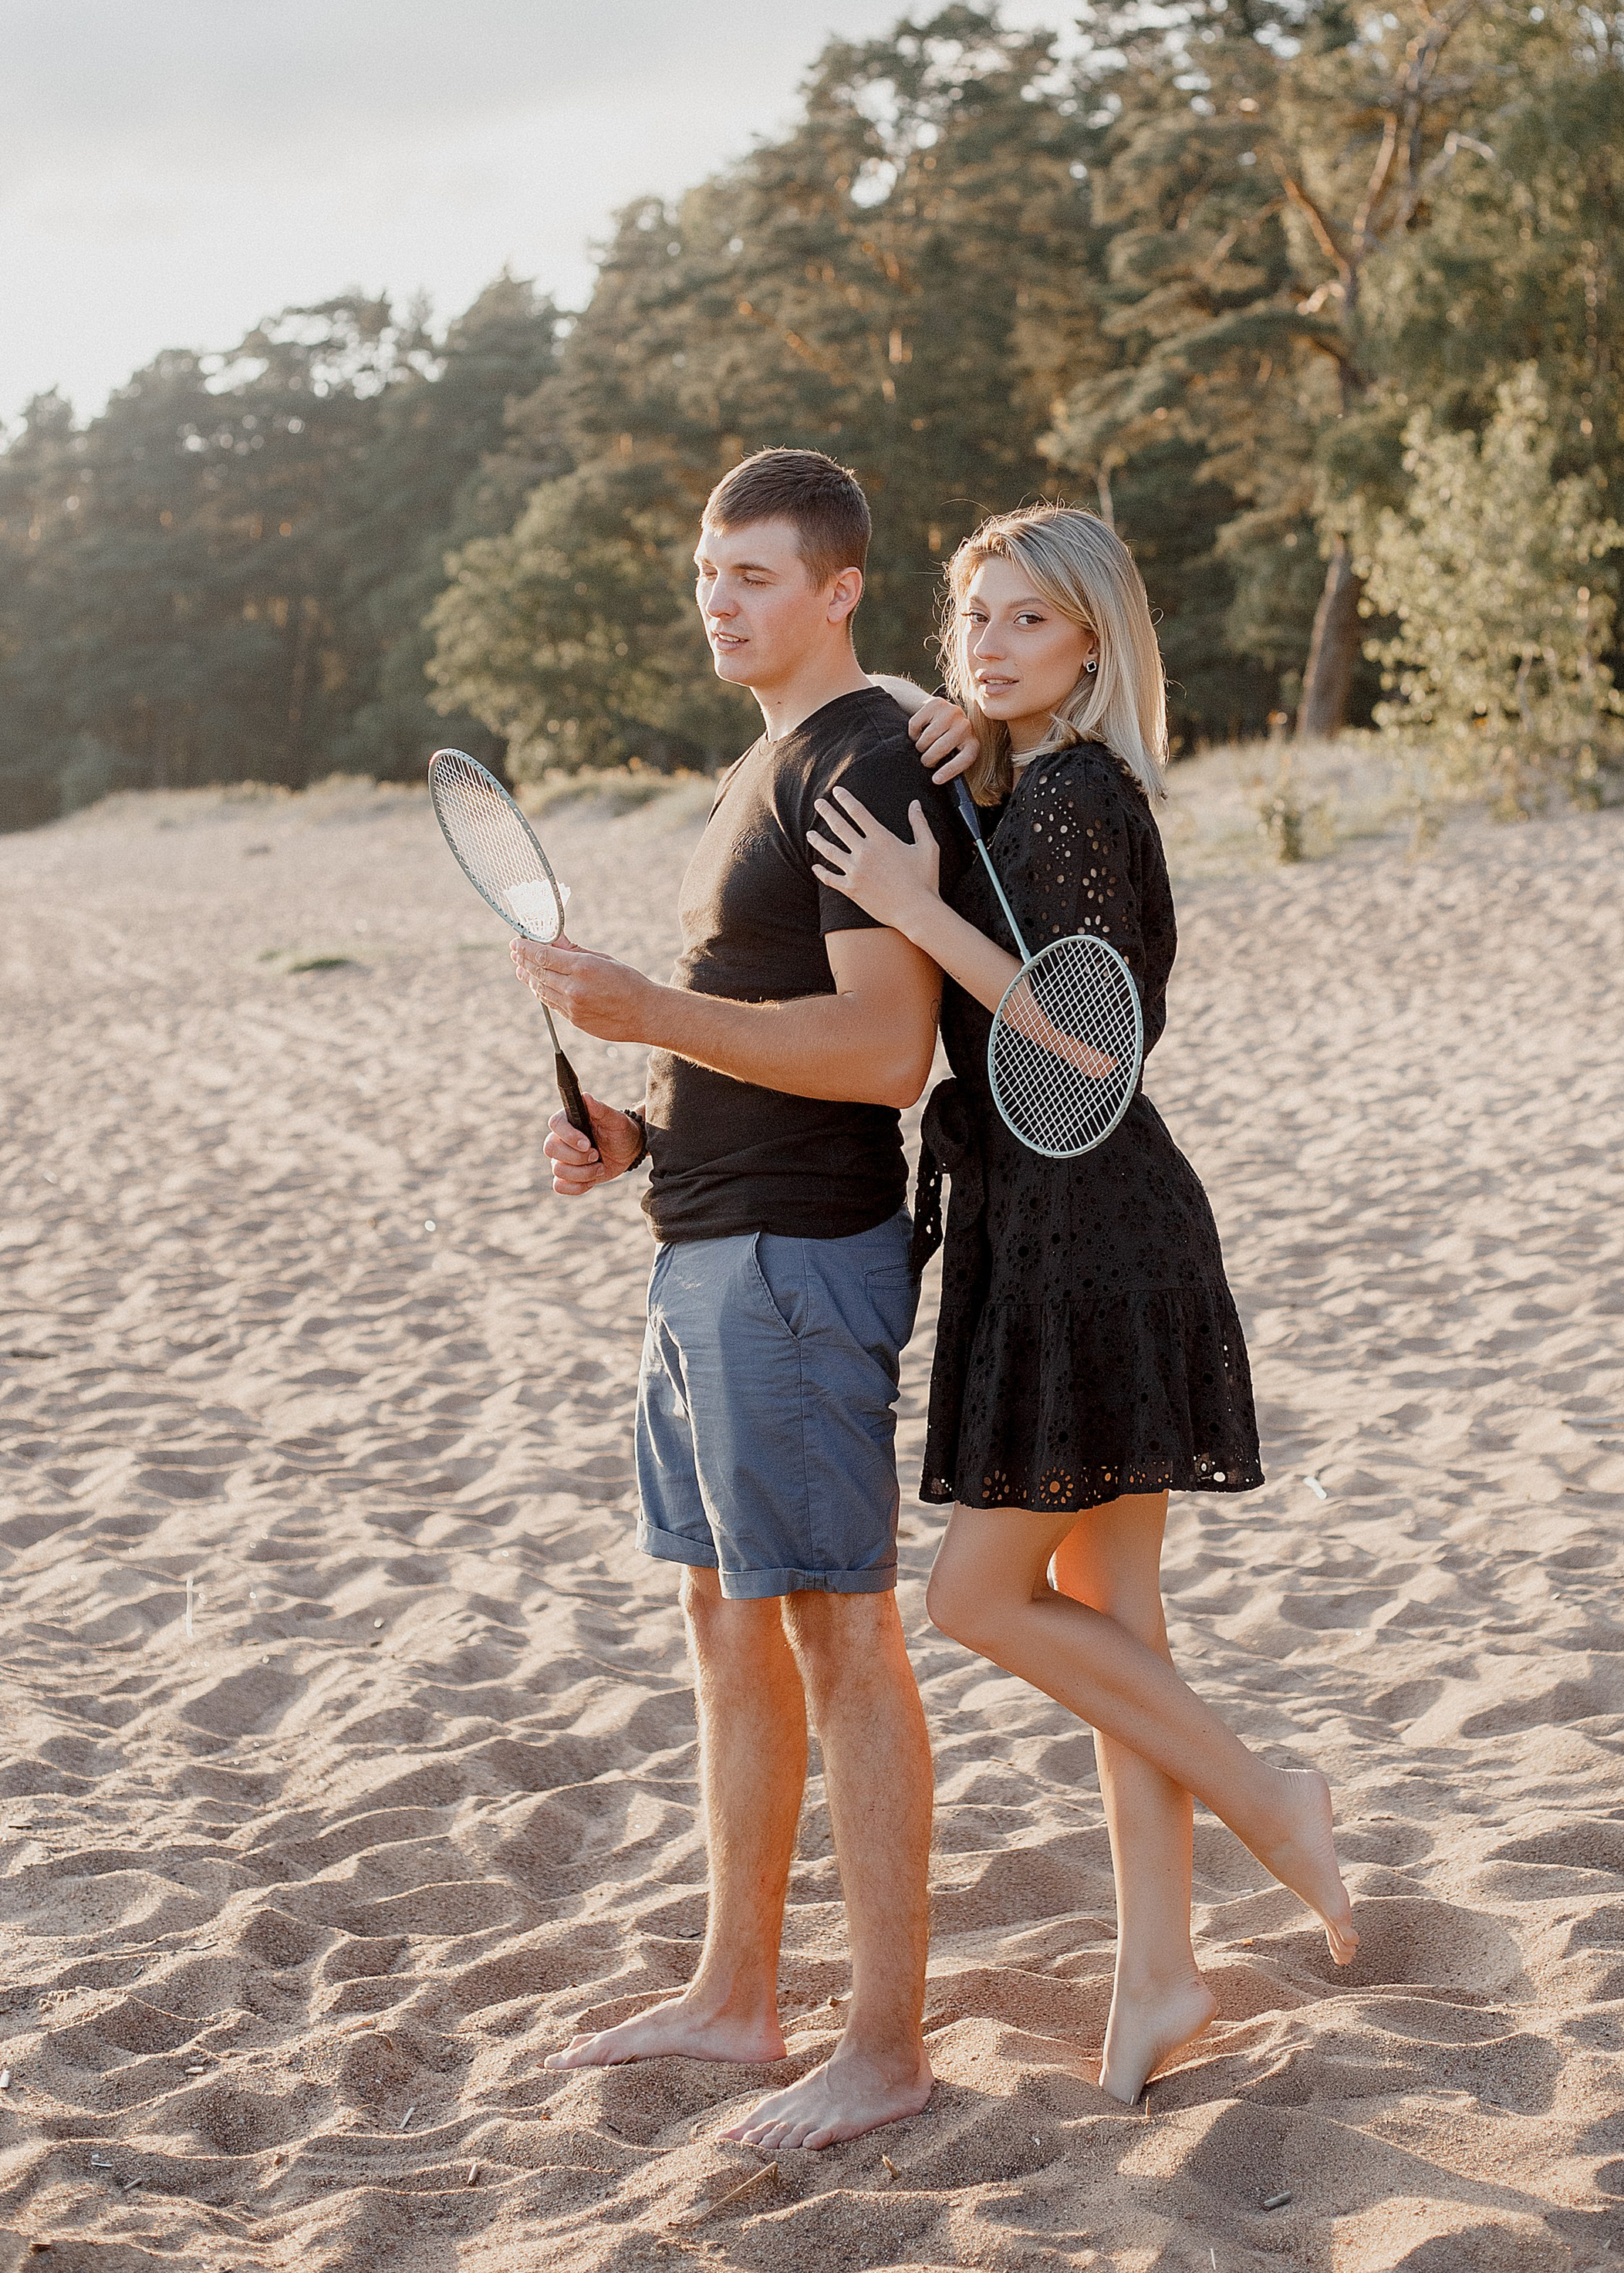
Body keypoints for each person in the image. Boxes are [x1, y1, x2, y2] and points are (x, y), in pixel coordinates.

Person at [805, 503, 1358, 2106]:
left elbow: (1076, 1041)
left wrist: (912, 913)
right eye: (972, 613)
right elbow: (1007, 876)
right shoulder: (1024, 784)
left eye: (1023, 623)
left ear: (1093, 647)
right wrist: (950, 732)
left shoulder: (1072, 795)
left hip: (1090, 1236)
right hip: (1047, 1227)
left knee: (979, 1601)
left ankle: (1273, 1801)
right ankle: (1161, 1969)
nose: (985, 643)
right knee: (1117, 1629)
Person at [508, 445, 974, 2154]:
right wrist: (631, 1133)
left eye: (755, 575)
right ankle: (733, 1997)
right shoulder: (764, 760)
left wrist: (643, 1003)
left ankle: (886, 2045)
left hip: (793, 1265)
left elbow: (879, 1052)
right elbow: (766, 1037)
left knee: (840, 1633)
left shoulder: (857, 758)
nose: (720, 599)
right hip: (705, 1245)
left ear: (839, 587)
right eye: (708, 573)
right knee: (724, 1625)